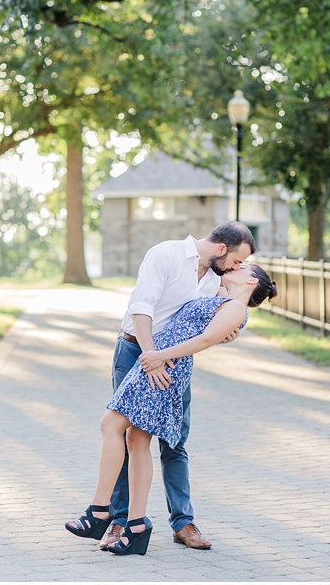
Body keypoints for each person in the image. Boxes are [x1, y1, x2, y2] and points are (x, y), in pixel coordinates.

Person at [65, 263, 278, 555]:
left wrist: (158, 356)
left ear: (251, 279)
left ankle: (99, 512)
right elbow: (213, 277)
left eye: (241, 266)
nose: (234, 266)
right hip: (162, 364)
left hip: (162, 366)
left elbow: (205, 340)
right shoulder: (225, 300)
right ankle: (136, 526)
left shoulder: (237, 309)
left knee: (109, 425)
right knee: (136, 440)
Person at [104, 221, 256, 551]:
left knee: (175, 439)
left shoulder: (216, 278)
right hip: (135, 350)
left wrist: (231, 333)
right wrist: (151, 357)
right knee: (128, 436)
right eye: (237, 260)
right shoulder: (167, 255)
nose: (237, 267)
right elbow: (140, 309)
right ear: (221, 249)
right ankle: (118, 521)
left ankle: (183, 522)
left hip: (175, 364)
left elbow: (216, 322)